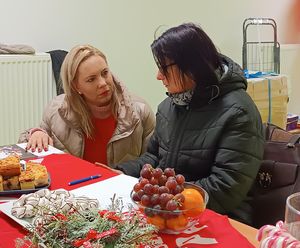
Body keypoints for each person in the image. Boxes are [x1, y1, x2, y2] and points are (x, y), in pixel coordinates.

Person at [116, 23, 265, 225]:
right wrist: (121, 172)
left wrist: (164, 199)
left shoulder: (239, 112)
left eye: (163, 68)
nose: (158, 76)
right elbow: (153, 158)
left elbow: (225, 187)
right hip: (171, 213)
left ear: (191, 67)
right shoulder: (168, 106)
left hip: (220, 219)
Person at [19, 44, 155, 168]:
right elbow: (29, 148)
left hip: (120, 191)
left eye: (105, 73)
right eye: (91, 79)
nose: (102, 83)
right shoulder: (57, 110)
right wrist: (36, 133)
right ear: (76, 86)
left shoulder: (140, 110)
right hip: (74, 190)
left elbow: (153, 160)